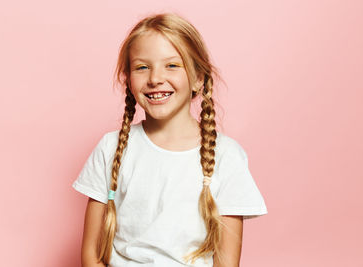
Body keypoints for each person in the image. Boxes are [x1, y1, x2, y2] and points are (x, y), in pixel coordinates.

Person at [72, 12, 268, 267]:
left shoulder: (227, 157)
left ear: (198, 78)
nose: (155, 78)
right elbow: (91, 256)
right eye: (142, 67)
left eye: (172, 65)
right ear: (128, 80)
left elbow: (226, 262)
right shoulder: (110, 148)